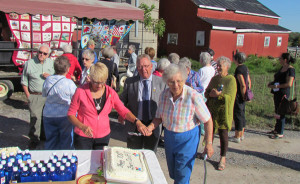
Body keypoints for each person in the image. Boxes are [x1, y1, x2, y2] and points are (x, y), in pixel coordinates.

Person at [146, 64, 214, 184]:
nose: (176, 85)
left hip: (188, 139)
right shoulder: (164, 95)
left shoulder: (193, 96)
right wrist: (150, 127)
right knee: (173, 173)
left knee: (182, 176)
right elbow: (158, 118)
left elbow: (208, 121)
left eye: (179, 81)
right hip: (169, 137)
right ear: (167, 82)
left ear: (184, 80)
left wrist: (208, 143)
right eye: (172, 82)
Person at [67, 62, 149, 150]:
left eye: (102, 82)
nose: (99, 85)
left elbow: (123, 110)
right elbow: (70, 114)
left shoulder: (111, 93)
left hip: (103, 136)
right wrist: (82, 126)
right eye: (95, 82)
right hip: (83, 136)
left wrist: (137, 122)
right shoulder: (80, 91)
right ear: (90, 78)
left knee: (100, 161)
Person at [119, 54, 166, 152]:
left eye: (146, 66)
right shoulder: (130, 82)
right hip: (134, 123)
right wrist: (121, 113)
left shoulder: (161, 83)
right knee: (133, 155)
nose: (143, 69)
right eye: (140, 67)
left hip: (153, 125)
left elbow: (165, 105)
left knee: (150, 155)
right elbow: (122, 100)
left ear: (151, 66)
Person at [205, 56, 237, 171]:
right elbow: (207, 91)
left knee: (223, 134)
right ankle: (206, 151)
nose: (218, 68)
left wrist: (218, 95)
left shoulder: (231, 80)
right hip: (212, 110)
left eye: (220, 66)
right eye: (217, 65)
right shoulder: (214, 79)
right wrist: (210, 93)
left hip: (223, 112)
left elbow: (230, 96)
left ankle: (223, 157)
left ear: (227, 67)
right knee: (210, 131)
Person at [21, 44, 55, 149]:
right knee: (35, 118)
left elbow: (56, 77)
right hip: (35, 95)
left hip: (48, 95)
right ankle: (34, 139)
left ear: (48, 54)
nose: (42, 55)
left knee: (47, 117)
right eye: (40, 52)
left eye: (45, 54)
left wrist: (50, 76)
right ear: (37, 52)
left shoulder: (51, 63)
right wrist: (28, 95)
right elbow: (24, 81)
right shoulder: (29, 63)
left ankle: (44, 137)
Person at [42, 56, 77, 150]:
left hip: (49, 114)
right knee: (66, 140)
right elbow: (75, 99)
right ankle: (65, 160)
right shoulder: (69, 83)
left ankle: (50, 159)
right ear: (67, 69)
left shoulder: (48, 80)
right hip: (65, 114)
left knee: (50, 139)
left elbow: (44, 94)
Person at [267, 53, 295, 139]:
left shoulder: (291, 70)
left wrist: (276, 86)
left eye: (280, 59)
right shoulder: (282, 68)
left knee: (282, 111)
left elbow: (289, 84)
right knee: (277, 111)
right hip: (277, 92)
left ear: (285, 60)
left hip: (283, 93)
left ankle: (280, 132)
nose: (279, 60)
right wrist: (271, 84)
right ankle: (276, 129)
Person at [233, 52, 251, 143]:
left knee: (238, 115)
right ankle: (242, 134)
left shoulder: (239, 69)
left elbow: (242, 84)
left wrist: (243, 95)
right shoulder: (245, 68)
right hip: (243, 95)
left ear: (237, 59)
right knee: (242, 114)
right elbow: (248, 81)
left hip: (239, 96)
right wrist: (248, 92)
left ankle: (237, 135)